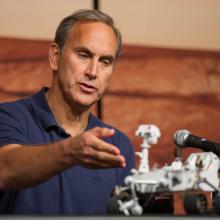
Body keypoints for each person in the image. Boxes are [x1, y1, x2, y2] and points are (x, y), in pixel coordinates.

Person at [0, 9, 135, 214]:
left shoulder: (118, 145)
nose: (92, 72)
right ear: (55, 56)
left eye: (105, 61)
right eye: (83, 55)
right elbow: (5, 169)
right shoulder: (9, 117)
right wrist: (71, 151)